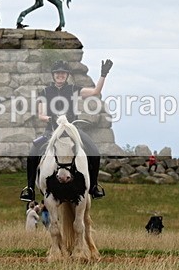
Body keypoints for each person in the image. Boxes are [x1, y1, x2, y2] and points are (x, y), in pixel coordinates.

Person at [20, 59, 113, 203]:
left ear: (67, 75)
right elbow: (41, 115)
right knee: (33, 153)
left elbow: (96, 91)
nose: (60, 75)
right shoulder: (45, 92)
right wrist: (51, 119)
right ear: (53, 75)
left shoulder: (73, 89)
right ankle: (30, 188)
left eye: (63, 73)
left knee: (94, 151)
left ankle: (94, 186)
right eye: (57, 73)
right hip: (52, 130)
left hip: (72, 129)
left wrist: (103, 75)